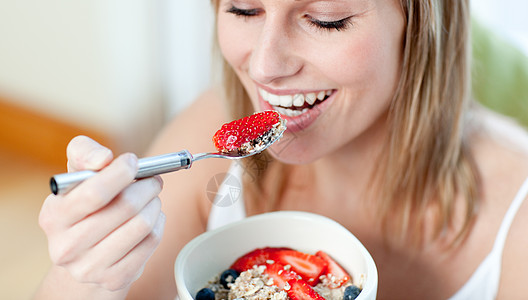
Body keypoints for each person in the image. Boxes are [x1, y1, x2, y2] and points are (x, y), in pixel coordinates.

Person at [35, 0, 528, 299]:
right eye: (244, 10)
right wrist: (85, 279)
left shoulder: (516, 223)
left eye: (325, 19)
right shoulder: (211, 126)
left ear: (419, 25)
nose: (266, 68)